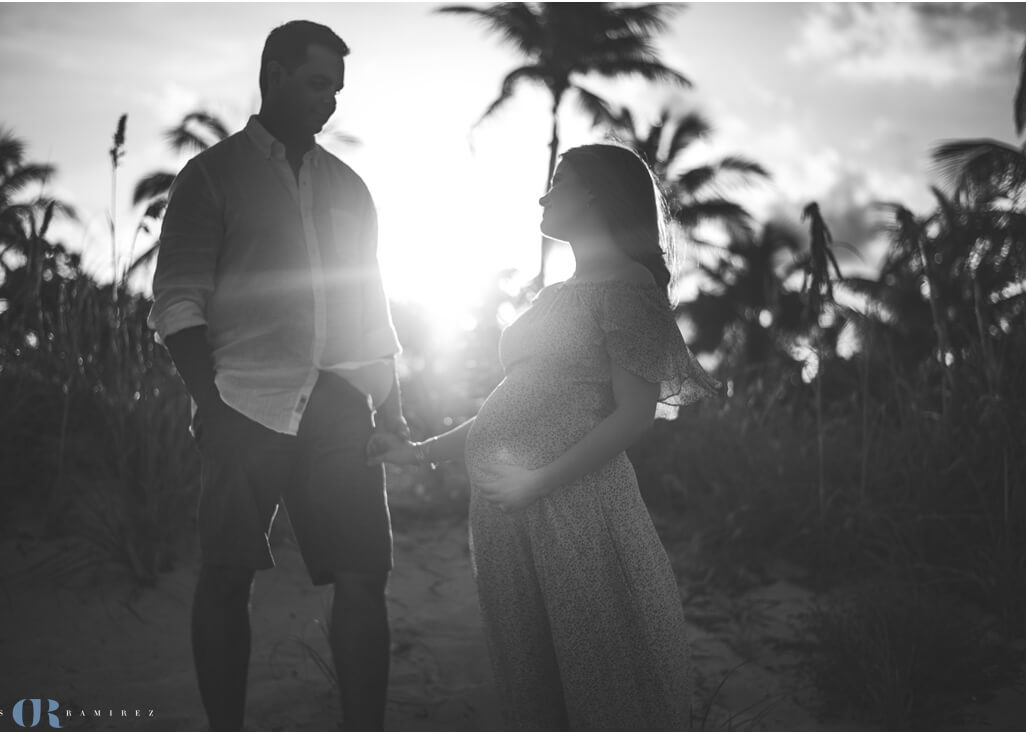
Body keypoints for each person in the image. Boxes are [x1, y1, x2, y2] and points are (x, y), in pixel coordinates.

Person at [369, 143, 720, 730]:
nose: (543, 194)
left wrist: (537, 483)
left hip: (574, 507)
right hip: (509, 511)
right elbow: (514, 407)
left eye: (558, 182)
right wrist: (422, 453)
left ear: (592, 194)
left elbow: (634, 415)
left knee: (600, 674)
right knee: (532, 674)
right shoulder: (558, 292)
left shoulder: (627, 287)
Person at [148, 20, 407, 731]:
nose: (330, 103)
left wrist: (396, 411)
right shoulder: (211, 176)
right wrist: (212, 406)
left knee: (363, 575)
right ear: (273, 74)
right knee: (227, 576)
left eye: (337, 90)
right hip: (243, 403)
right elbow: (178, 300)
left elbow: (371, 308)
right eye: (318, 84)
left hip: (341, 405)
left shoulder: (350, 188)